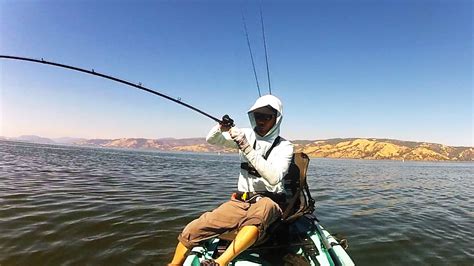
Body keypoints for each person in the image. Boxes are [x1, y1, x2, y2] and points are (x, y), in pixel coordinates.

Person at [169, 95, 294, 266]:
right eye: (258, 116)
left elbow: (274, 178)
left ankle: (220, 263)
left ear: (277, 118)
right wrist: (221, 127)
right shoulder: (247, 134)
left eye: (267, 116)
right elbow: (212, 139)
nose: (261, 120)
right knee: (194, 228)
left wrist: (245, 146)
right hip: (240, 201)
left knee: (256, 219)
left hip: (269, 200)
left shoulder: (285, 146)